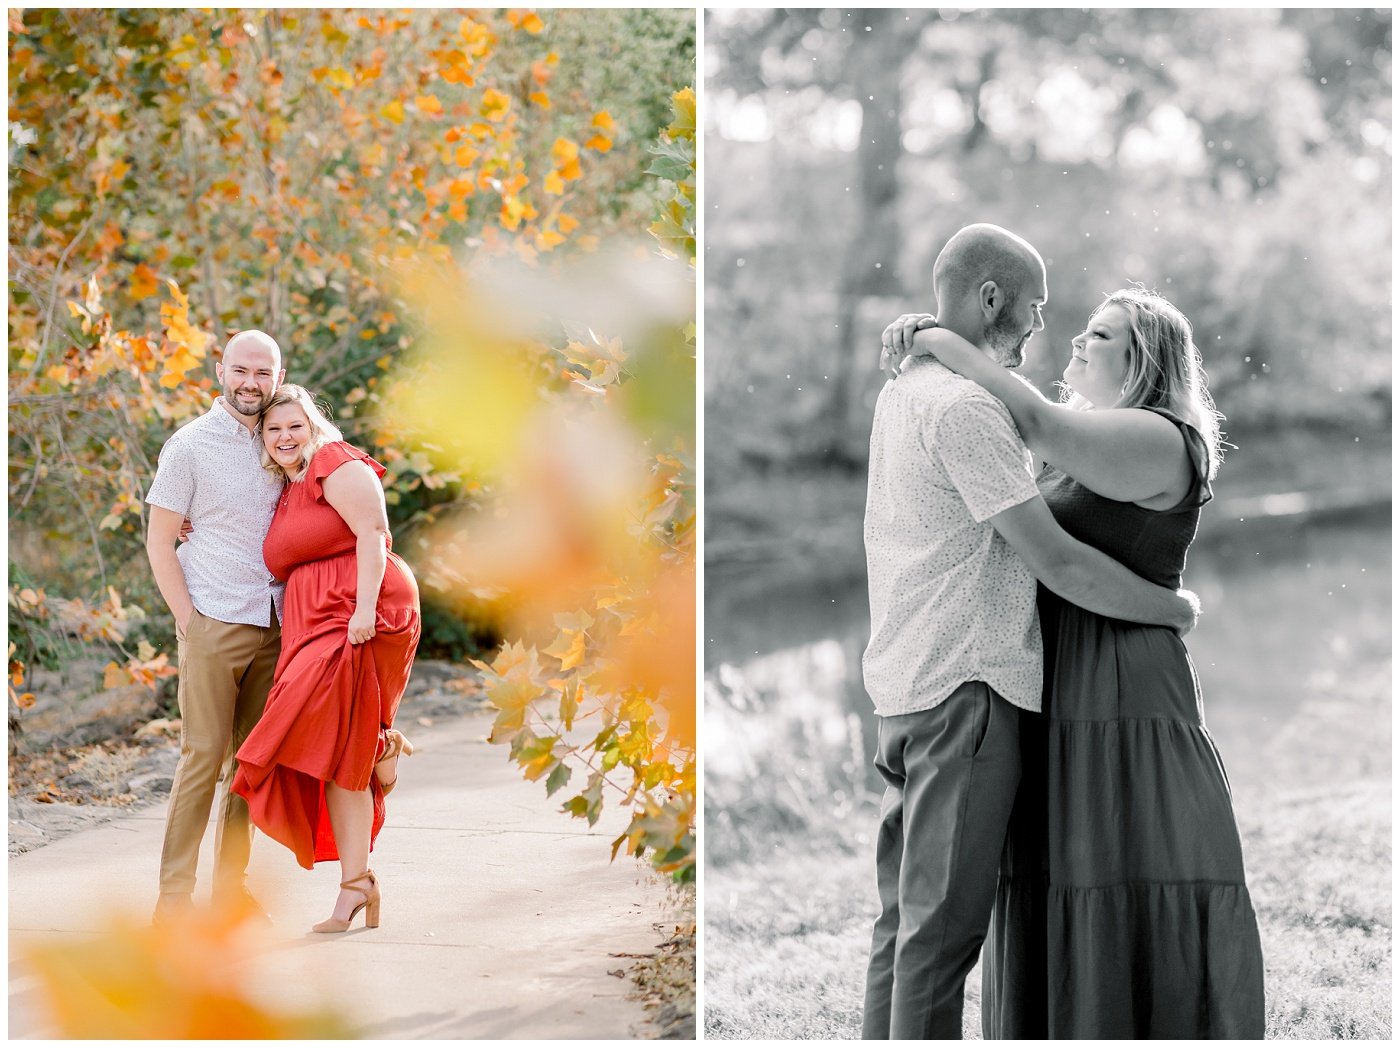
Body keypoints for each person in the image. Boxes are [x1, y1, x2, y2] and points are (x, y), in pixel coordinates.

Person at [883, 283, 1266, 1036]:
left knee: (1119, 869)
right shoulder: (1087, 440)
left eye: (1100, 333)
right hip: (1057, 675)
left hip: (1120, 682)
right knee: (1059, 874)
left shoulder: (1159, 434)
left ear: (1145, 356)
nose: (1078, 343)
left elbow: (1030, 418)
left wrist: (935, 340)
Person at [230, 384, 421, 933]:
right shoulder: (287, 488)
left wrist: (363, 609)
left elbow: (373, 533)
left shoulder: (334, 463)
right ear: (263, 441)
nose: (285, 436)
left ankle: (381, 745)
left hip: (360, 610)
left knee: (306, 731)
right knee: (338, 751)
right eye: (274, 430)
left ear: (313, 425)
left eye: (295, 425)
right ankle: (356, 885)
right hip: (314, 619)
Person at [145, 329, 287, 925]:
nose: (251, 383)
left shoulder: (287, 440)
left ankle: (233, 892)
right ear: (221, 371)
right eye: (241, 371)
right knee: (202, 757)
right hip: (213, 620)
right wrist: (188, 621)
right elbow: (158, 541)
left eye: (263, 373)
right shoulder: (189, 446)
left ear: (277, 377)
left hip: (275, 625)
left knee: (250, 764)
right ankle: (173, 903)